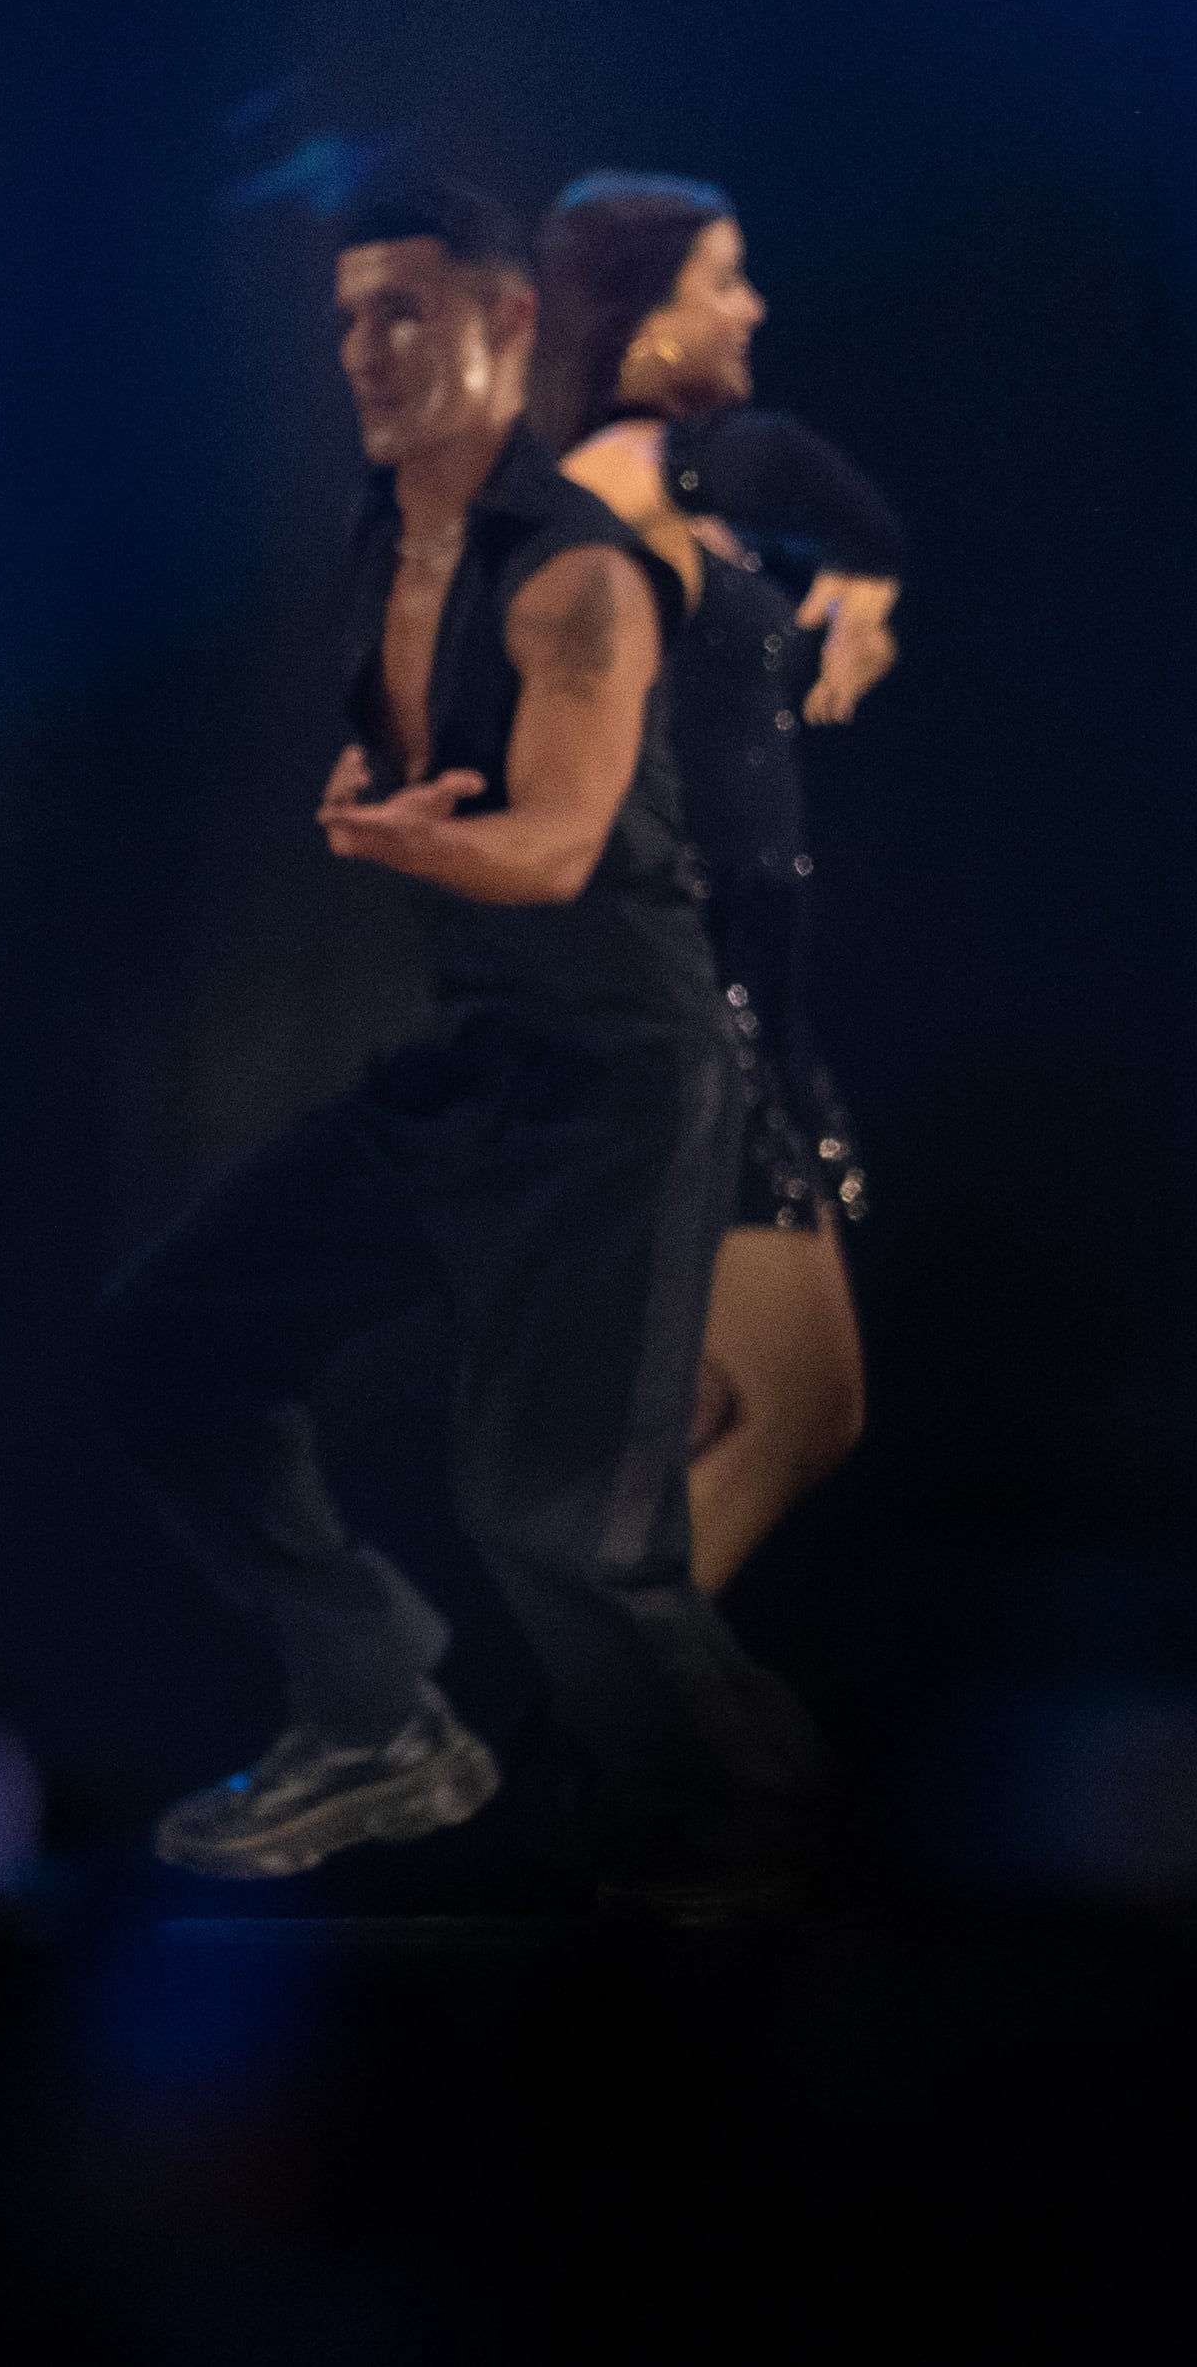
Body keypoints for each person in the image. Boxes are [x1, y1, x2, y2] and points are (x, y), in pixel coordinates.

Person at [94, 173, 821, 1889]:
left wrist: (407, 838)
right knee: (175, 1344)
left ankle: (817, 1899)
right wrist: (394, 799)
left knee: (566, 1533)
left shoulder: (574, 570)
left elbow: (561, 842)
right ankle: (373, 1715)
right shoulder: (387, 530)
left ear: (502, 325)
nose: (362, 348)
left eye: (401, 310)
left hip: (623, 1089)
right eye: (348, 315)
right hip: (486, 1064)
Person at [528, 173, 905, 1589]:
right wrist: (867, 576)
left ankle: (583, 1748)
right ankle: (610, 1732)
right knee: (800, 1407)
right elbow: (805, 474)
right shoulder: (621, 470)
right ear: (642, 315)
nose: (751, 308)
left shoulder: (670, 503)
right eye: (722, 279)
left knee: (697, 1421)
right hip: (675, 994)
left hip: (741, 988)